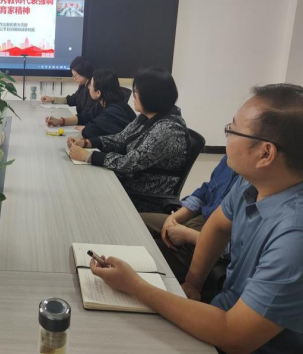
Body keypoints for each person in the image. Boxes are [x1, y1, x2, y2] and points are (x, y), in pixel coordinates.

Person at [89, 84, 303, 354]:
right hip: (222, 310)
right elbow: (217, 227)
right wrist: (193, 283)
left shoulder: (295, 238)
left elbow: (234, 336)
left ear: (265, 154)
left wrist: (135, 286)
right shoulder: (253, 183)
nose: (226, 136)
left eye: (232, 130)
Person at [68, 67, 189, 212]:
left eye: (136, 92)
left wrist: (89, 156)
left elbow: (131, 163)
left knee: (82, 194)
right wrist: (88, 143)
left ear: (152, 95)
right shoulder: (146, 117)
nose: (133, 96)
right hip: (128, 182)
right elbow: (120, 138)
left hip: (143, 196)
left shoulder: (168, 130)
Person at [141, 155, 239, 283]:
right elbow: (204, 193)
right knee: (134, 223)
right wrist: (173, 218)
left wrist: (187, 235)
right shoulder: (230, 159)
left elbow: (235, 248)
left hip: (209, 247)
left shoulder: (255, 188)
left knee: (143, 252)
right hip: (198, 219)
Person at [46, 69, 135, 139]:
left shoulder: (113, 111)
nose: (89, 88)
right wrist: (60, 121)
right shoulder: (103, 104)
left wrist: (86, 129)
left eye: (90, 85)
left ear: (98, 93)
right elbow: (84, 117)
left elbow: (93, 129)